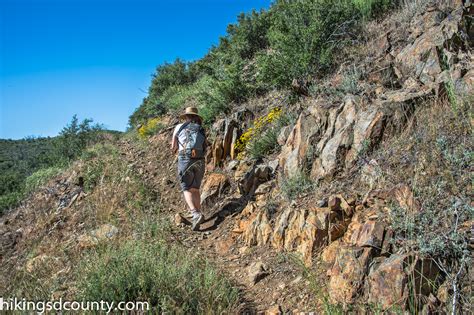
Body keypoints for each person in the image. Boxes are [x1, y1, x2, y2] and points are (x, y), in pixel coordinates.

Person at [171, 107, 207, 231]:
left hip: (185, 158)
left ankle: (195, 214)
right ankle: (199, 212)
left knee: (186, 188)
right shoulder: (200, 128)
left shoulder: (179, 127)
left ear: (186, 116)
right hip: (200, 159)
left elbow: (173, 147)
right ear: (196, 116)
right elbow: (205, 146)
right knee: (195, 188)